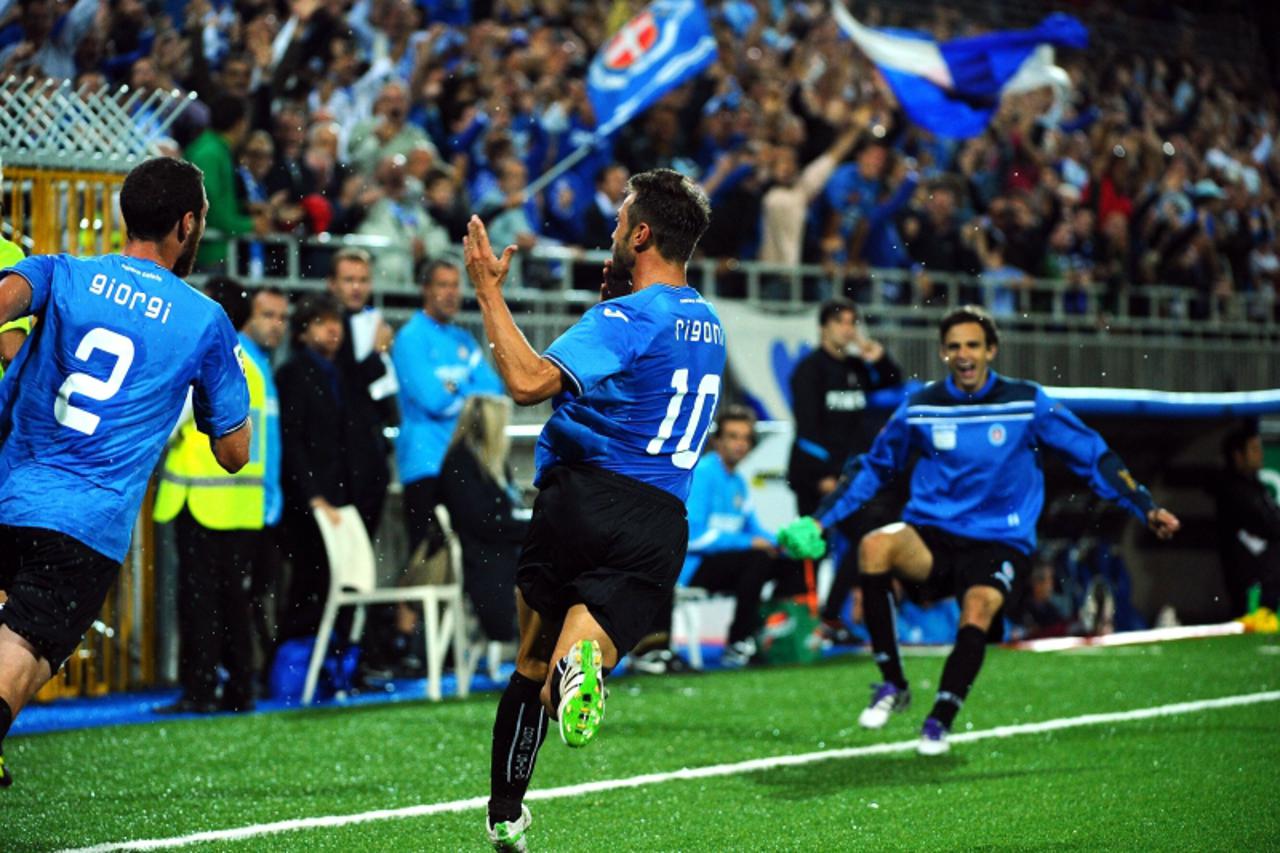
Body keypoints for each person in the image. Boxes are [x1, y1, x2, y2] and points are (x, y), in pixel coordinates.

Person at [779, 305, 1180, 756]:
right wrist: (821, 518)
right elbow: (872, 468)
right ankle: (893, 684)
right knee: (874, 547)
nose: (963, 354)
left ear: (991, 350)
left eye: (973, 345)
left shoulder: (1027, 402)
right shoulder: (921, 406)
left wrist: (1143, 504)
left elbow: (1092, 455)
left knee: (978, 608)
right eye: (954, 347)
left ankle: (939, 719)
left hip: (1000, 540)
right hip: (933, 535)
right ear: (943, 353)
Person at [463, 168, 721, 851]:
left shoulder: (625, 316)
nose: (611, 231)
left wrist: (489, 293)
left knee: (529, 662)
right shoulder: (707, 324)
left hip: (580, 498)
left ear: (640, 234)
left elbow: (524, 381)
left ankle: (505, 812)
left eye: (618, 220)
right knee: (574, 661)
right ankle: (583, 669)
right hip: (659, 516)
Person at [0, 157, 251, 787]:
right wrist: (223, 377)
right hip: (84, 525)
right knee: (20, 653)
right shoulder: (203, 320)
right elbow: (233, 451)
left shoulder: (62, 271)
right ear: (186, 224)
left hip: (9, 491)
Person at [152, 276, 273, 714]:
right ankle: (241, 688)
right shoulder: (252, 367)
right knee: (235, 603)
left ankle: (201, 689)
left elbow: (170, 425)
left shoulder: (207, 358)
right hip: (241, 506)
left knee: (200, 600)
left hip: (201, 503)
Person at [787, 297, 901, 644]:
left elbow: (892, 380)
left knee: (867, 536)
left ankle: (831, 617)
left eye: (852, 322)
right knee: (811, 549)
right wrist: (824, 474)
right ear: (824, 327)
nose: (848, 329)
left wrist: (875, 354)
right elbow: (807, 427)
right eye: (841, 322)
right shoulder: (809, 370)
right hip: (814, 474)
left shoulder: (856, 368)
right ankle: (798, 626)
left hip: (850, 476)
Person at [392, 258, 503, 558]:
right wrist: (468, 390)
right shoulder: (409, 338)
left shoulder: (462, 339)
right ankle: (408, 607)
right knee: (426, 559)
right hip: (424, 462)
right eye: (442, 285)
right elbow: (433, 401)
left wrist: (456, 390)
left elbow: (494, 390)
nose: (451, 293)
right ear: (425, 289)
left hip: (461, 462)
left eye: (455, 285)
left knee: (470, 553)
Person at [679, 405, 804, 666]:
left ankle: (771, 633)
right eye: (733, 436)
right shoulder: (703, 473)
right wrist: (750, 543)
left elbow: (753, 529)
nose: (740, 444)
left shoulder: (737, 482)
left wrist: (782, 542)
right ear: (717, 440)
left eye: (746, 438)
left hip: (729, 563)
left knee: (790, 563)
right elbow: (692, 536)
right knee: (757, 559)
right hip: (694, 567)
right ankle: (738, 642)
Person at [438, 395, 529, 644]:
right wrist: (530, 528)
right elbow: (482, 522)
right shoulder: (463, 462)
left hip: (498, 549)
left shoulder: (488, 462)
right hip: (483, 557)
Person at [1214, 423, 1280, 615]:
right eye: (1253, 449)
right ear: (1238, 455)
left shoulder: (1256, 486)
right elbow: (1270, 525)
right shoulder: (1233, 490)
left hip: (1269, 580)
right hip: (1251, 583)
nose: (1260, 454)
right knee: (1251, 628)